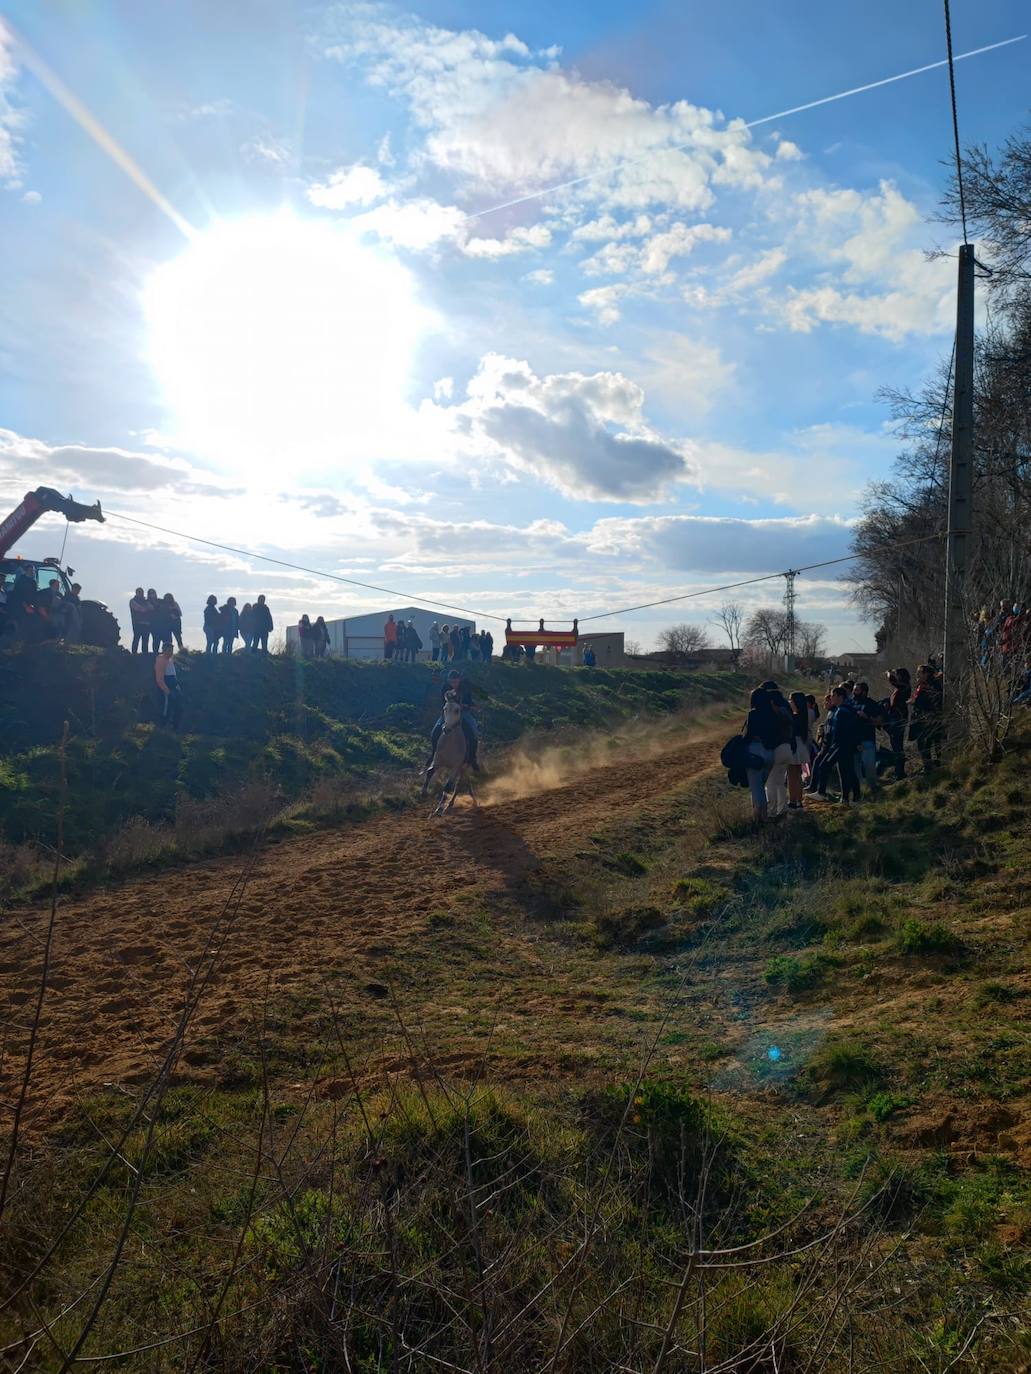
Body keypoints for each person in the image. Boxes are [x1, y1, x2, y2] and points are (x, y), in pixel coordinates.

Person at [426, 668, 480, 771]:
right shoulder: (445, 687)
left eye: (455, 682)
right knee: (436, 730)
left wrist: (465, 706)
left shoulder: (465, 687)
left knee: (473, 730)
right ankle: (433, 753)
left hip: (462, 712)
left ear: (459, 680)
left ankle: (472, 758)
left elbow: (469, 702)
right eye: (451, 682)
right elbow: (443, 702)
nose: (453, 684)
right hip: (449, 712)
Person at [741, 687, 780, 823]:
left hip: (755, 751)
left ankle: (760, 818)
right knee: (761, 786)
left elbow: (749, 734)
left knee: (756, 789)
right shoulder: (774, 715)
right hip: (770, 753)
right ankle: (761, 815)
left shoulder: (753, 714)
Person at [910, 663, 943, 769]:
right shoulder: (920, 685)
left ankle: (935, 765)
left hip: (929, 718)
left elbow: (932, 701)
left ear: (926, 674)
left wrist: (916, 701)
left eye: (920, 672)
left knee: (931, 742)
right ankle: (927, 765)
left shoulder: (933, 685)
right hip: (920, 718)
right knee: (923, 743)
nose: (917, 674)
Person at [852, 682, 883, 792]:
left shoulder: (871, 704)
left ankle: (873, 788)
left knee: (869, 766)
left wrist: (867, 717)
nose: (854, 692)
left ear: (864, 692)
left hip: (867, 740)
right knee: (855, 767)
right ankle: (859, 790)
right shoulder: (851, 703)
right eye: (853, 690)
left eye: (856, 690)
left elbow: (879, 721)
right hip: (854, 741)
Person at [883, 667, 911, 779]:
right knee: (895, 745)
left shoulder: (904, 686)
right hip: (894, 718)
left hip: (898, 719)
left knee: (897, 746)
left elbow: (893, 681)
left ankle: (900, 772)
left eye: (897, 674)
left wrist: (889, 673)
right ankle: (898, 771)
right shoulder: (901, 688)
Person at [786, 692, 809, 811]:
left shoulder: (794, 717)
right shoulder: (803, 716)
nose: (789, 702)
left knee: (791, 775)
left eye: (791, 700)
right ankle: (799, 801)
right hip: (801, 745)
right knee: (798, 775)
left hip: (794, 746)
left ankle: (792, 801)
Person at [154, 642, 183, 730]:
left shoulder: (169, 660)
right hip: (167, 690)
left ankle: (175, 728)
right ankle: (162, 729)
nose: (171, 652)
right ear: (163, 650)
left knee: (178, 707)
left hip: (174, 688)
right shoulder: (161, 661)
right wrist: (167, 692)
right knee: (166, 709)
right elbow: (159, 679)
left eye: (172, 650)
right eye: (169, 650)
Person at [130, 587, 151, 655]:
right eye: (139, 592)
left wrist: (146, 609)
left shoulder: (146, 601)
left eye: (141, 592)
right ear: (136, 593)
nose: (141, 593)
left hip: (147, 624)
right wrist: (146, 609)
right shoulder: (132, 601)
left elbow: (151, 608)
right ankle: (134, 654)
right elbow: (140, 609)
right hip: (137, 623)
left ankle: (145, 654)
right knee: (136, 639)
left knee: (145, 641)